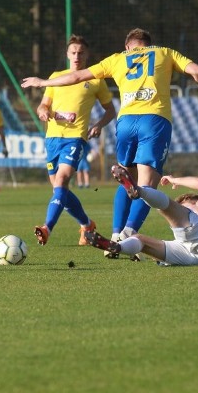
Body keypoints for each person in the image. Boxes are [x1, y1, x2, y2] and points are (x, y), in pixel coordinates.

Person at [21, 28, 198, 257]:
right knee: (146, 186)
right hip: (154, 120)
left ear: (128, 47)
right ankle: (127, 234)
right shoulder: (164, 52)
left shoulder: (117, 59)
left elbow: (77, 76)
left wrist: (42, 81)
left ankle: (115, 234)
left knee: (126, 177)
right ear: (148, 44)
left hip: (125, 123)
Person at [33, 35, 116, 246]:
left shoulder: (95, 79)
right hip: (52, 138)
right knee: (59, 190)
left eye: (81, 52)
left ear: (86, 55)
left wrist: (98, 125)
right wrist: (43, 111)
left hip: (75, 138)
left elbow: (110, 110)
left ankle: (47, 228)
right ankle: (87, 224)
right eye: (73, 52)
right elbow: (43, 105)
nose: (77, 56)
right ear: (67, 55)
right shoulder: (55, 77)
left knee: (61, 182)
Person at [84, 164, 198, 266]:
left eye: (184, 204)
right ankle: (118, 247)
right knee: (140, 241)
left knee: (167, 206)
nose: (181, 207)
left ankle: (139, 191)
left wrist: (174, 180)